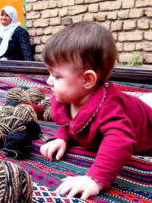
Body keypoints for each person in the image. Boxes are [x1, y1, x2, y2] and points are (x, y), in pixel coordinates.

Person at [40, 22, 152, 200]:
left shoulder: (109, 109)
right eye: (49, 73)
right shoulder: (70, 99)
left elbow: (120, 140)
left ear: (87, 80)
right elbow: (71, 124)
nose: (48, 81)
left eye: (57, 76)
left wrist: (95, 179)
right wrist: (62, 137)